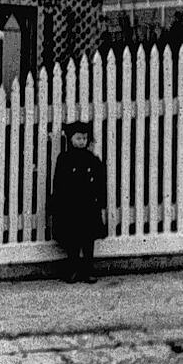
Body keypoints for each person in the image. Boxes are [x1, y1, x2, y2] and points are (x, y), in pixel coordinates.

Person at [50, 121, 107, 283]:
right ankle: (72, 270)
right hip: (71, 206)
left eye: (84, 138)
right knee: (72, 240)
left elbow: (100, 183)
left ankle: (88, 270)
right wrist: (58, 203)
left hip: (88, 206)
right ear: (70, 139)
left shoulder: (92, 160)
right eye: (78, 138)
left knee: (88, 241)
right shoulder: (64, 159)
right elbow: (59, 183)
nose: (82, 141)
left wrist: (100, 202)